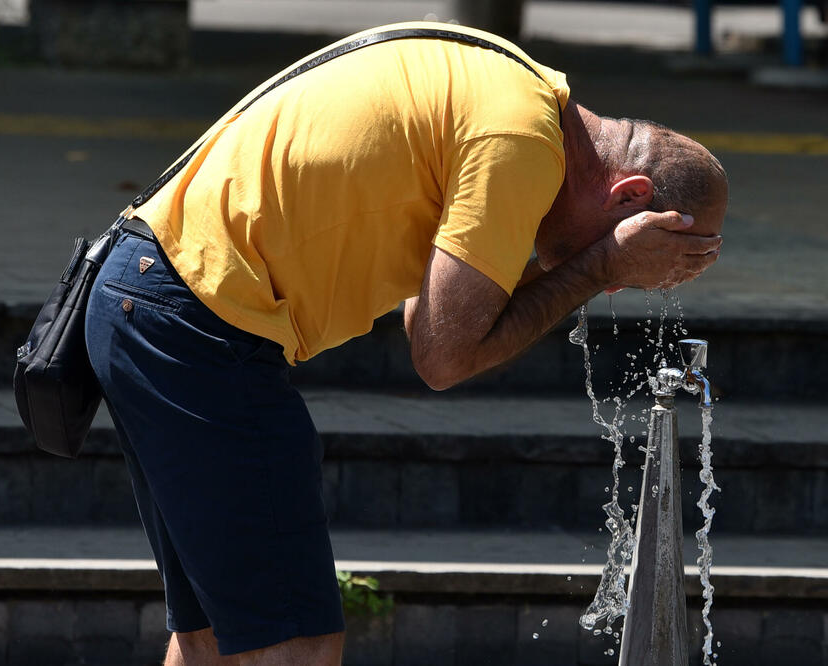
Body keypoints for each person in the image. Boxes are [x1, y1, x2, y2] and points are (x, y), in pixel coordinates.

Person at [84, 21, 726, 665]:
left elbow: (430, 317)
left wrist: (595, 262)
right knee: (298, 645)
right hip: (195, 322)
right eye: (639, 264)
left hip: (152, 297)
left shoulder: (514, 86)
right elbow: (443, 357)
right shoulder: (518, 145)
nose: (617, 290)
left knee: (212, 641)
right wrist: (597, 268)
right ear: (631, 195)